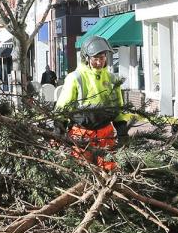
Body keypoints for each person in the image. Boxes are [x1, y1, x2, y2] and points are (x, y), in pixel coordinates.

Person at [55, 37, 132, 167]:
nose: (99, 62)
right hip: (81, 133)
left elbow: (118, 108)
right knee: (82, 169)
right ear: (87, 58)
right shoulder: (75, 78)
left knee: (110, 169)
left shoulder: (112, 79)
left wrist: (122, 131)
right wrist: (58, 130)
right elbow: (63, 106)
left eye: (102, 58)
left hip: (105, 133)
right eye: (95, 59)